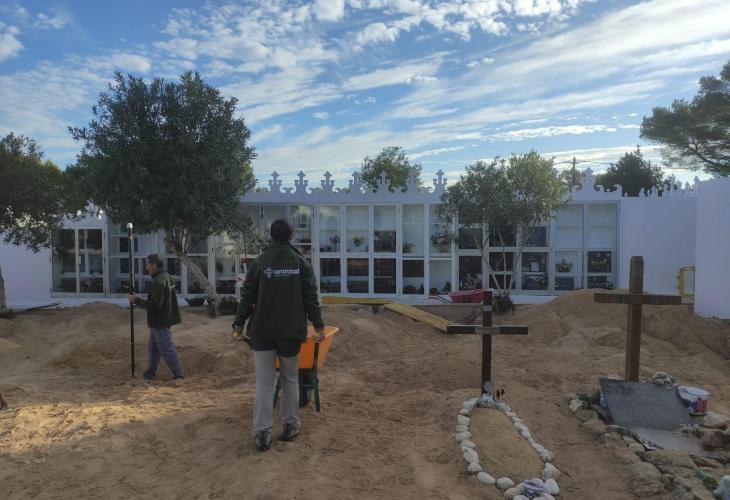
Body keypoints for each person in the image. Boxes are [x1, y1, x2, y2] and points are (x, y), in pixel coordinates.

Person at [233, 219, 325, 452]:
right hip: (291, 331)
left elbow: (247, 295)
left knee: (264, 381)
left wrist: (239, 323)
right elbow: (311, 298)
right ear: (291, 236)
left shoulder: (260, 262)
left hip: (262, 330)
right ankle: (291, 426)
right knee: (290, 378)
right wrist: (318, 324)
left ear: (271, 236)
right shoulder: (301, 263)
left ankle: (262, 433)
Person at [128, 254, 185, 381]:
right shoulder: (166, 276)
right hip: (160, 320)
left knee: (166, 349)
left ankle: (179, 375)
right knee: (153, 349)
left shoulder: (158, 282)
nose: (146, 267)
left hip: (160, 321)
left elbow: (155, 304)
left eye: (147, 264)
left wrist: (135, 300)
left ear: (154, 265)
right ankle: (149, 374)